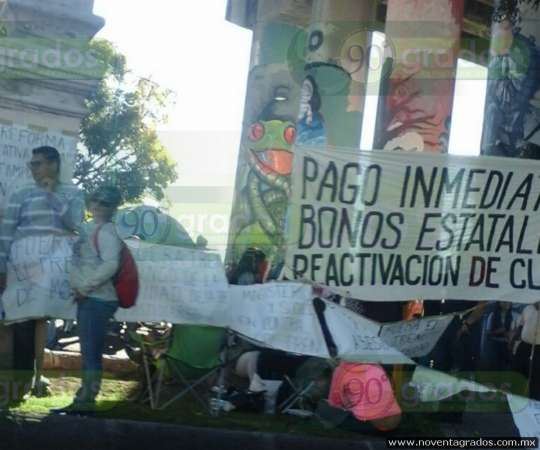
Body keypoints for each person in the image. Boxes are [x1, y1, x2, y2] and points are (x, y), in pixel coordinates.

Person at [0, 146, 84, 398]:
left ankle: (35, 382)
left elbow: (75, 224)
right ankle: (14, 386)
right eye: (32, 164)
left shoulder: (73, 193)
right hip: (21, 269)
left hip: (53, 271)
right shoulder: (21, 192)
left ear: (54, 165)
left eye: (38, 164)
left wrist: (51, 196)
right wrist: (2, 267)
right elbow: (6, 231)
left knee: (41, 322)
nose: (33, 169)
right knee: (15, 323)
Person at [54, 186, 123, 414]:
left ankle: (86, 401)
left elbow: (111, 264)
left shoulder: (106, 232)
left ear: (112, 208)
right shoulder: (92, 228)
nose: (97, 205)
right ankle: (84, 398)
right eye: (95, 200)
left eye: (104, 203)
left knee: (91, 354)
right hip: (91, 298)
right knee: (88, 353)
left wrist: (84, 287)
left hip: (96, 299)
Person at [318, 361, 402, 434]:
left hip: (368, 424)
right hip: (395, 420)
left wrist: (346, 399)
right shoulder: (377, 365)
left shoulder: (341, 370)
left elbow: (335, 402)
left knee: (323, 407)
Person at [511, 302, 540, 401]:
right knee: (517, 375)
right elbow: (521, 326)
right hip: (524, 347)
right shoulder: (527, 308)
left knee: (536, 380)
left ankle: (534, 405)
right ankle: (515, 402)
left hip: (538, 349)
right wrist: (513, 339)